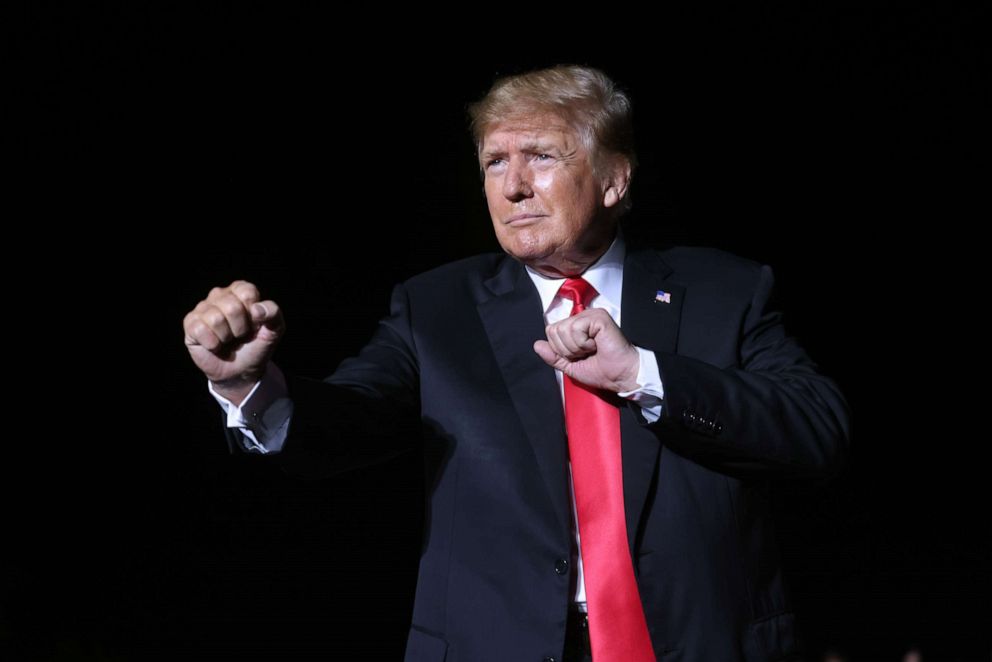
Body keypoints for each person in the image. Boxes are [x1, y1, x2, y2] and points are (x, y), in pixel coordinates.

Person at [183, 64, 851, 662]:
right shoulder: (435, 308)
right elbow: (349, 420)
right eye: (494, 162)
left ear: (615, 179)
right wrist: (244, 382)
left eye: (540, 156)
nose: (513, 186)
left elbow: (818, 431)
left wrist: (641, 375)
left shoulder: (722, 290)